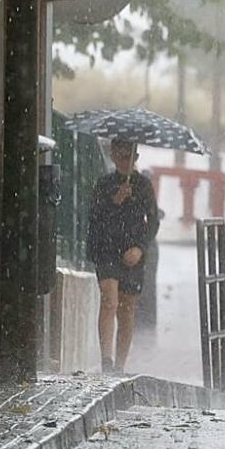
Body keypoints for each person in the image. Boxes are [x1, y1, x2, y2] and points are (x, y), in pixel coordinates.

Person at [87, 139, 160, 374]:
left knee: (127, 309)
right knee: (109, 301)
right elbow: (94, 217)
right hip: (107, 250)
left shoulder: (144, 186)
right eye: (120, 155)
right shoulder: (104, 184)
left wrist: (139, 248)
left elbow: (153, 222)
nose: (125, 160)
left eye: (130, 155)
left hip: (132, 255)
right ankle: (106, 361)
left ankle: (119, 365)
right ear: (113, 156)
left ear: (135, 158)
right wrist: (114, 201)